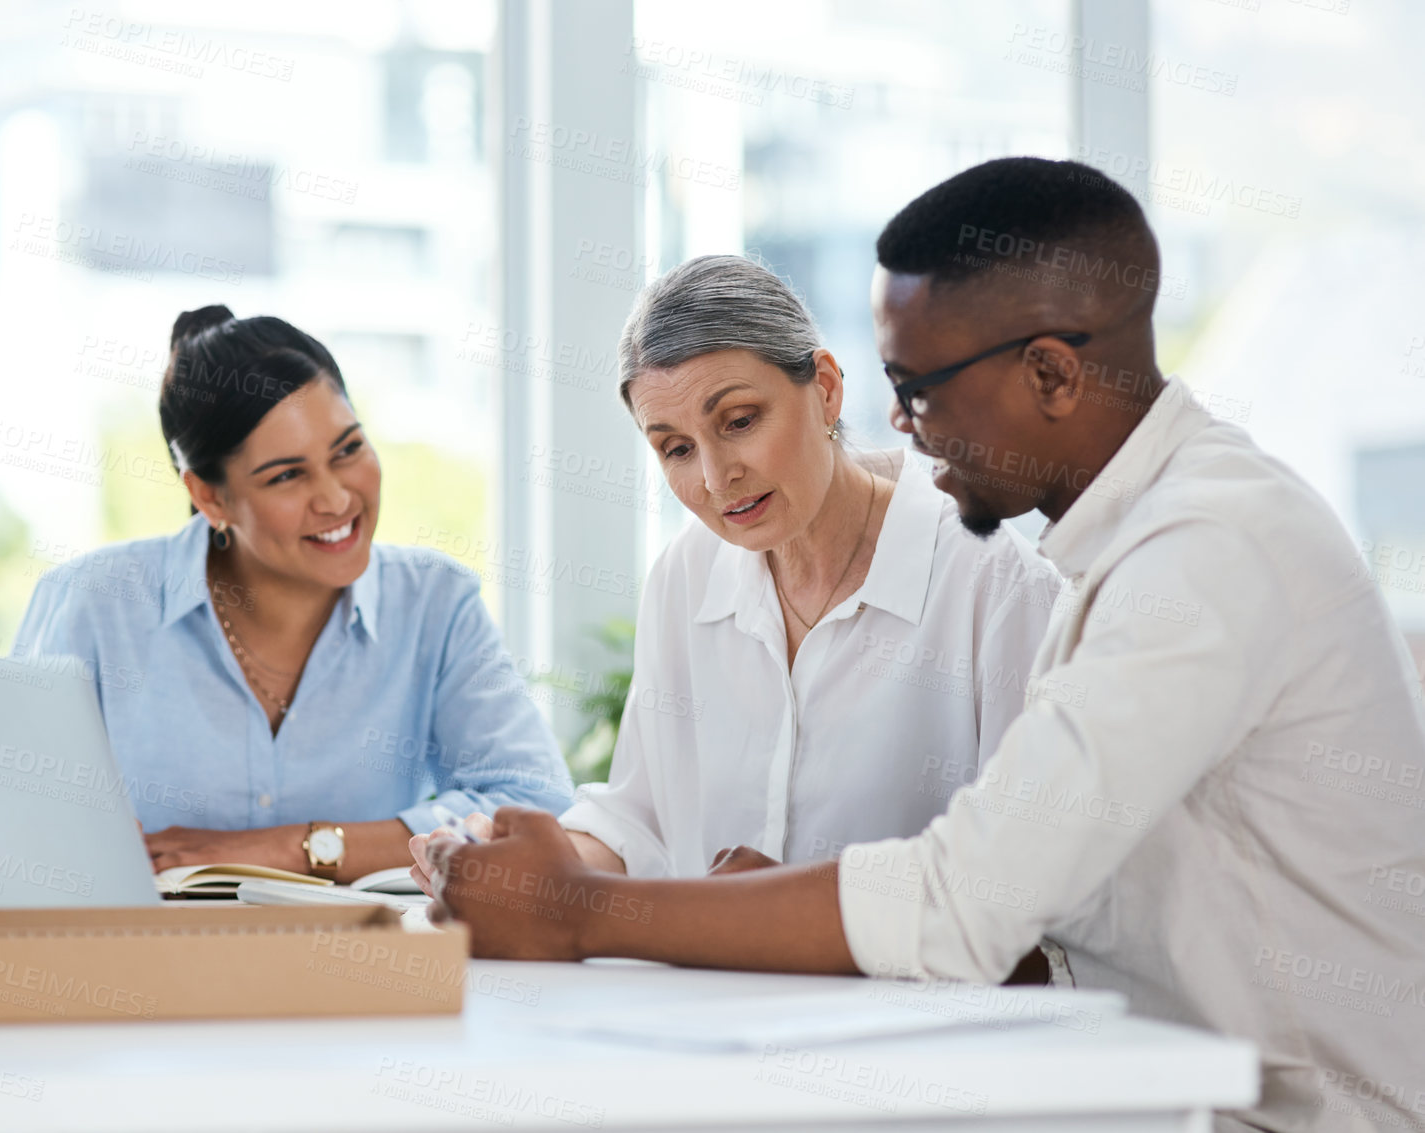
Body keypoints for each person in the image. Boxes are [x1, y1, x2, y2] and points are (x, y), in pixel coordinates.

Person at [422, 159, 1425, 1133]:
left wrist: (583, 910)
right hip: (1144, 1081)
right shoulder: (1139, 537)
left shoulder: (1199, 554)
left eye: (921, 386)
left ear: (1049, 372)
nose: (898, 422)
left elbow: (967, 903)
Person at [412, 256, 1059, 904]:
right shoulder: (685, 576)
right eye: (676, 448)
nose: (717, 479)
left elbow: (1026, 885)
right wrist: (523, 866)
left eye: (740, 421)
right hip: (710, 1000)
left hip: (916, 1004)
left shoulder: (997, 586)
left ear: (826, 389)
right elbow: (642, 821)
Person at [14, 307, 573, 883]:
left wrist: (289, 848)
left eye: (348, 450)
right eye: (287, 476)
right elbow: (9, 818)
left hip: (369, 961)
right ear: (211, 498)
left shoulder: (434, 602)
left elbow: (537, 807)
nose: (335, 499)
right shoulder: (94, 603)